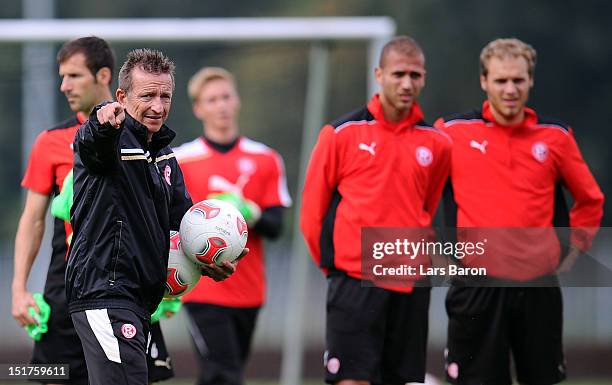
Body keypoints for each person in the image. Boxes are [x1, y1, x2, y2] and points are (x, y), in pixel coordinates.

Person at [434, 38, 604, 385]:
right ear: (484, 81)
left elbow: (590, 199)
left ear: (530, 81)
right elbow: (414, 193)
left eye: (518, 80)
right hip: (476, 287)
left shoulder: (555, 137)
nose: (510, 89)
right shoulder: (451, 133)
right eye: (500, 80)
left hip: (537, 289)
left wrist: (575, 249)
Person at [65, 49, 240, 385]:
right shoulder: (110, 136)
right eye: (147, 96)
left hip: (138, 300)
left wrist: (210, 259)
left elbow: (185, 223)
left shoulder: (163, 155)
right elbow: (92, 140)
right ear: (121, 97)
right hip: (105, 292)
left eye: (165, 96)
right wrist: (103, 120)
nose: (158, 107)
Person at [300, 36, 451, 385]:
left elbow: (425, 207)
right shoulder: (340, 134)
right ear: (379, 74)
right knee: (351, 380)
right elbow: (312, 212)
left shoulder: (438, 143)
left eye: (415, 75)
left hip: (411, 283)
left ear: (424, 78)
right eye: (399, 74)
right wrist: (334, 266)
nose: (407, 83)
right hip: (354, 279)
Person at [173, 67, 291, 385]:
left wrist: (250, 214)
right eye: (211, 100)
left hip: (249, 291)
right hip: (203, 291)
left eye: (226, 97)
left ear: (236, 100)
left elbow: (277, 226)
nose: (221, 105)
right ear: (198, 108)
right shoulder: (180, 160)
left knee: (223, 374)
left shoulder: (265, 159)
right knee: (224, 374)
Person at [11, 36, 114, 385]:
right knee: (48, 377)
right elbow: (33, 219)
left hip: (122, 290)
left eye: (74, 76)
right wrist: (19, 288)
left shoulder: (136, 135)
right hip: (65, 290)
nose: (63, 86)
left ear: (103, 76)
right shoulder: (50, 141)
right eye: (62, 76)